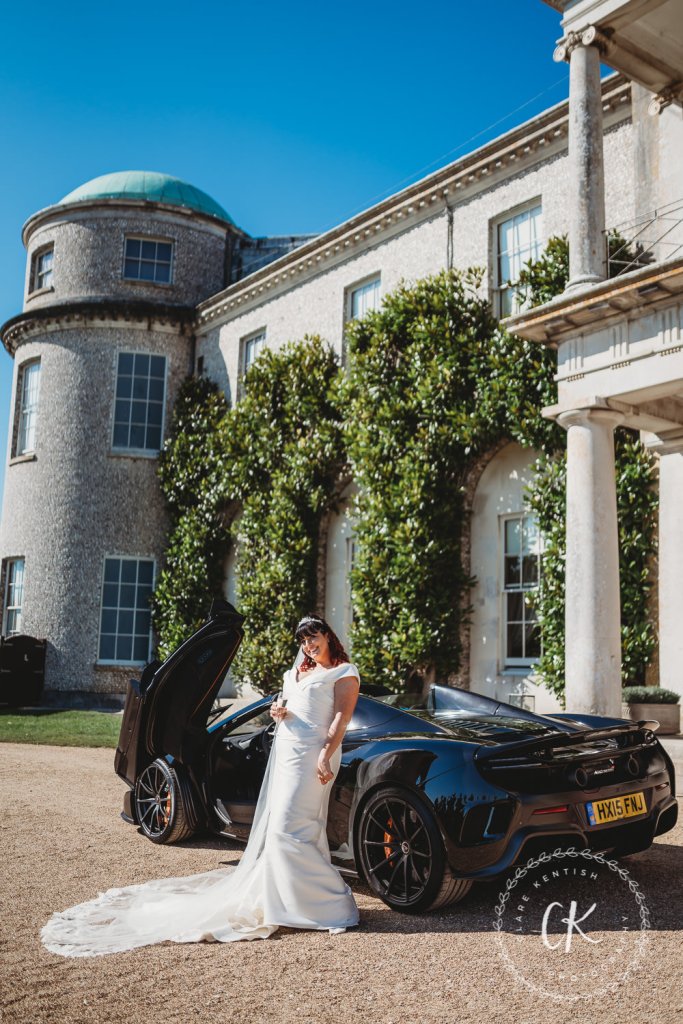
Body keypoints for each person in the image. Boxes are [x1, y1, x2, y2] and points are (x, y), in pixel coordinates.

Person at [40, 614, 361, 956]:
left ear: (328, 636)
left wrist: (324, 754)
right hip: (285, 753)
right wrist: (278, 712)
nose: (308, 646)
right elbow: (291, 705)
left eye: (313, 638)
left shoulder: (344, 672)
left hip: (313, 755)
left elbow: (341, 717)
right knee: (282, 829)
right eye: (303, 641)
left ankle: (326, 904)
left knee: (293, 826)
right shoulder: (298, 671)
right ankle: (290, 901)